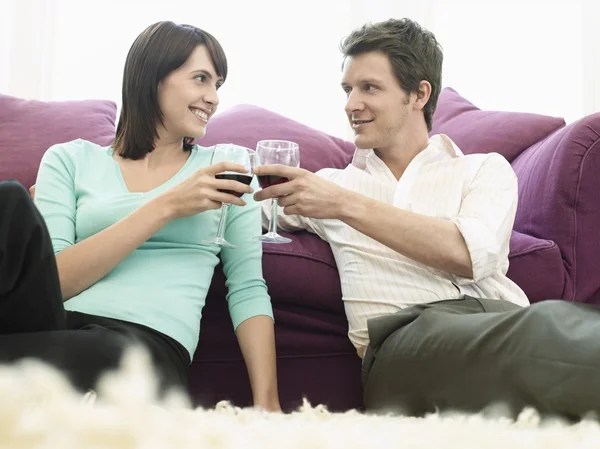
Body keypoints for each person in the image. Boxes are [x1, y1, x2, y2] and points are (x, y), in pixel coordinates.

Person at [253, 18, 600, 419]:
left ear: (419, 94)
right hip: (402, 341)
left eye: (369, 88)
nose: (350, 104)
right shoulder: (328, 186)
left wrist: (345, 205)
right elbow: (240, 205)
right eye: (348, 89)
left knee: (551, 325)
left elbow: (471, 255)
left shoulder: (482, 169)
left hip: (506, 320)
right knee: (543, 334)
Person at [0, 21, 280, 412]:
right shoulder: (68, 159)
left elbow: (248, 288)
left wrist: (269, 405)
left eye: (218, 84)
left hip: (143, 346)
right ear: (153, 78)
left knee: (86, 357)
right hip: (56, 327)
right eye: (201, 79)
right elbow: (54, 282)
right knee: (9, 202)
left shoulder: (225, 166)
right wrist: (167, 206)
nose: (213, 98)